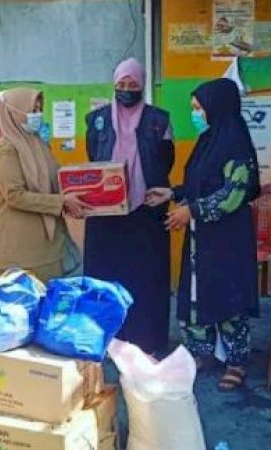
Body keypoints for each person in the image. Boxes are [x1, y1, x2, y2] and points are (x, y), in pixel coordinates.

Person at [149, 78, 259, 390]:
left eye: (199, 109)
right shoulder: (208, 141)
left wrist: (192, 211)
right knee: (198, 293)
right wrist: (171, 193)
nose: (196, 115)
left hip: (228, 237)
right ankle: (202, 353)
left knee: (229, 295)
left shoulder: (235, 145)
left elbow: (233, 194)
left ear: (217, 108)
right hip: (202, 237)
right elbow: (201, 184)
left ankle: (236, 362)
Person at [84, 58, 175, 355]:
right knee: (105, 277)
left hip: (145, 214)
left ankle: (146, 341)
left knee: (146, 279)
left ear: (143, 86)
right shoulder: (97, 120)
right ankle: (109, 339)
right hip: (105, 217)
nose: (126, 91)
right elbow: (93, 157)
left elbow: (166, 160)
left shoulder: (158, 120)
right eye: (121, 85)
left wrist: (145, 183)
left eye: (132, 85)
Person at [0, 87, 85, 281]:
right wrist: (60, 203)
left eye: (39, 110)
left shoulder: (37, 143)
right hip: (16, 247)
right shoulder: (5, 150)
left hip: (46, 246)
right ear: (14, 113)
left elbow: (56, 179)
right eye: (32, 111)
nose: (38, 115)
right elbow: (14, 195)